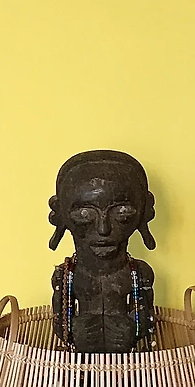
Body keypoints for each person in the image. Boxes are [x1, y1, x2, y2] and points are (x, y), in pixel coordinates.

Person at [49, 150, 156, 353]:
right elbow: (59, 322)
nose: (103, 229)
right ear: (60, 214)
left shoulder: (139, 274)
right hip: (79, 365)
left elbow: (148, 320)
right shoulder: (65, 276)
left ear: (143, 212)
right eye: (84, 213)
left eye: (122, 211)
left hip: (129, 365)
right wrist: (74, 330)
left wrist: (133, 330)